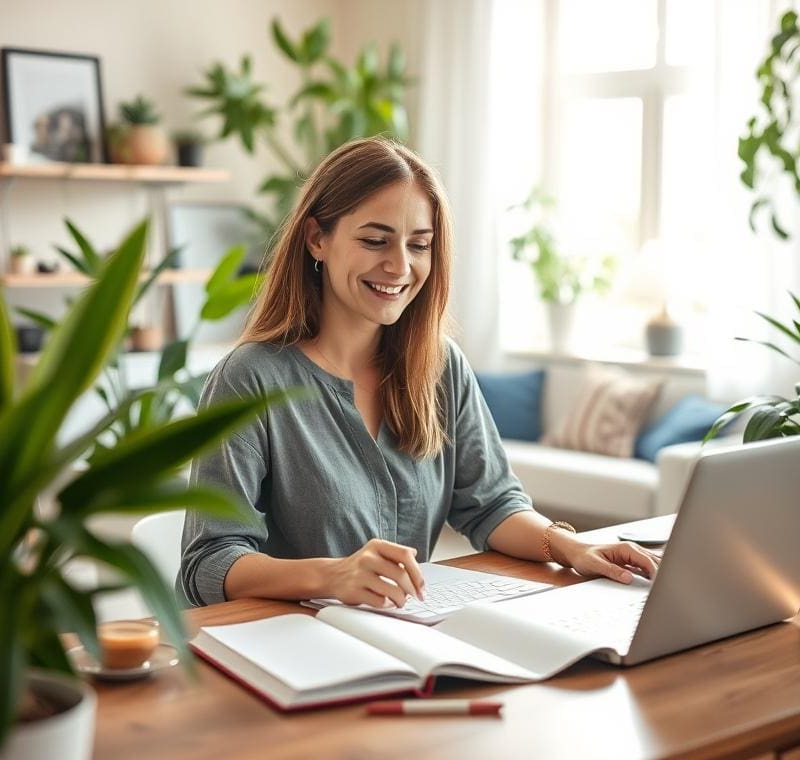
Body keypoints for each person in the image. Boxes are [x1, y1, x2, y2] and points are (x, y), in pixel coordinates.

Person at [179, 137, 660, 608]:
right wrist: (334, 574)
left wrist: (573, 548)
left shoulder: (440, 366)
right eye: (375, 240)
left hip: (408, 637)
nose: (399, 266)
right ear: (316, 239)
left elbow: (493, 505)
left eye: (420, 245)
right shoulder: (250, 378)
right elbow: (209, 562)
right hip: (288, 644)